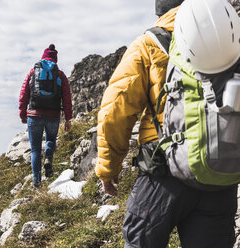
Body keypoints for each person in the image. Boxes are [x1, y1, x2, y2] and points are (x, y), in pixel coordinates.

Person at [95, 0, 238, 247]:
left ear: (160, 13)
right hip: (220, 168)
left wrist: (109, 169)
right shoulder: (228, 34)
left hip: (163, 172)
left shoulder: (148, 44)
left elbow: (115, 109)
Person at [19, 44, 72, 187]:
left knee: (35, 149)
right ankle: (48, 158)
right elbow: (66, 98)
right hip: (53, 115)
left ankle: (37, 182)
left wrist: (23, 114)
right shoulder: (60, 75)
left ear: (43, 57)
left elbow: (24, 94)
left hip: (34, 115)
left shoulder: (32, 73)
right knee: (50, 140)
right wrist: (68, 119)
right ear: (56, 59)